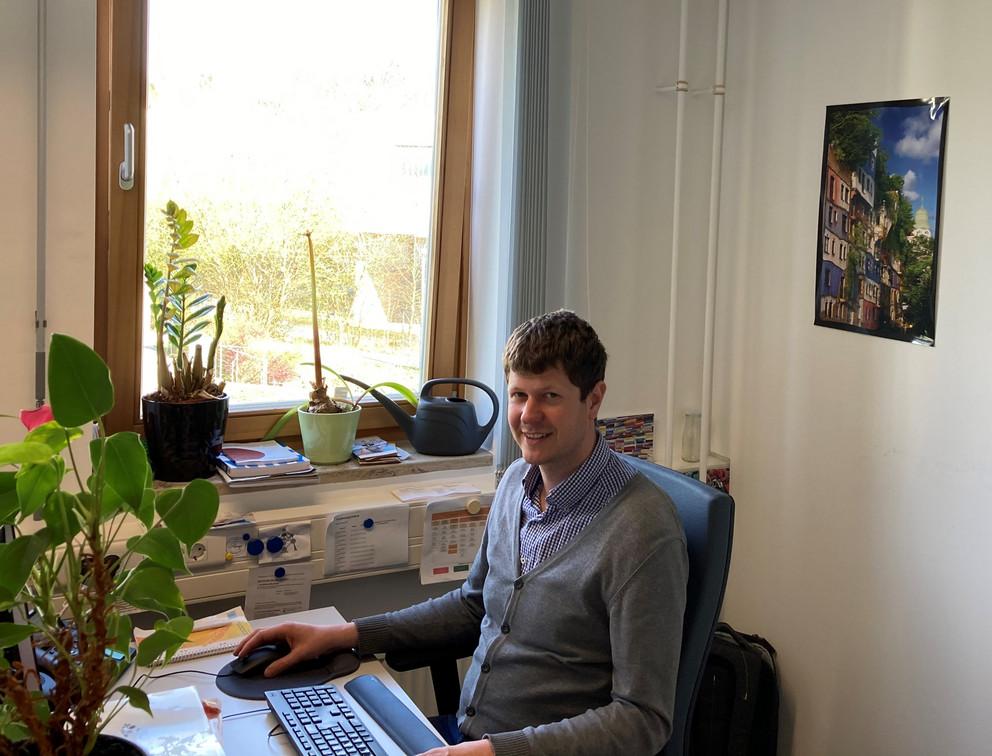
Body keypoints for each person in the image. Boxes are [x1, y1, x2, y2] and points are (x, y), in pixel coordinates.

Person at [235, 310, 688, 756]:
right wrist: (343, 635)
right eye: (517, 395)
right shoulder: (516, 481)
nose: (528, 416)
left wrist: (494, 753)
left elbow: (642, 719)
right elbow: (473, 606)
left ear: (593, 399)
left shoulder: (642, 530)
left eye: (549, 396)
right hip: (463, 739)